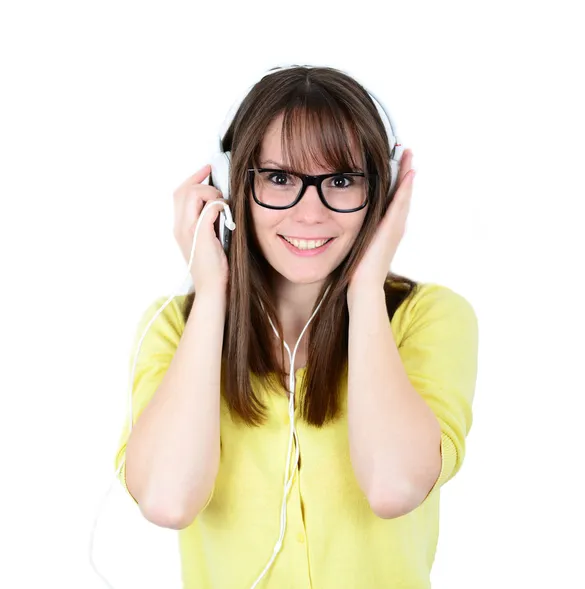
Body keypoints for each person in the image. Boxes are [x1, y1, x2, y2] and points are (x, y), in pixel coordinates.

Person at [113, 65, 479, 589]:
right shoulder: (173, 328)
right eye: (280, 178)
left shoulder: (430, 317)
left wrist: (366, 289)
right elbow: (168, 501)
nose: (311, 213)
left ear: (384, 191)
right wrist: (213, 290)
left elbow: (394, 487)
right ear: (230, 183)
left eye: (341, 181)